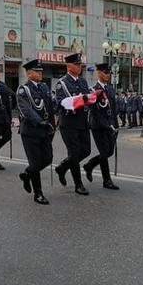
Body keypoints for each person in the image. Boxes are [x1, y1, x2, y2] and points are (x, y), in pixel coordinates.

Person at [16, 59, 55, 205]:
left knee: (48, 158)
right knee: (35, 162)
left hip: (45, 130)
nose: (40, 73)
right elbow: (26, 110)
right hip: (31, 131)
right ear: (29, 73)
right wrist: (40, 122)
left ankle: (27, 174)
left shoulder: (44, 87)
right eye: (37, 71)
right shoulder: (23, 90)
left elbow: (50, 107)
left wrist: (52, 124)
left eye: (41, 71)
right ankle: (38, 193)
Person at [55, 52, 93, 195]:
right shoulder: (62, 83)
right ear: (68, 66)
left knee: (86, 151)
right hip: (69, 123)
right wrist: (80, 100)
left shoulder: (82, 82)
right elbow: (61, 102)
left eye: (80, 64)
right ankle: (78, 184)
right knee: (75, 153)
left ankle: (63, 167)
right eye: (77, 64)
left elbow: (87, 98)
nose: (80, 67)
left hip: (82, 122)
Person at [84, 63, 119, 190]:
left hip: (110, 125)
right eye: (105, 72)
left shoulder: (110, 89)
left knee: (109, 151)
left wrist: (115, 125)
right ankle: (107, 180)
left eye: (109, 72)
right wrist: (106, 125)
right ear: (99, 73)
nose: (108, 75)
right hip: (98, 126)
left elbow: (113, 109)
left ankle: (89, 165)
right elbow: (95, 111)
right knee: (104, 152)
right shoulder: (93, 90)